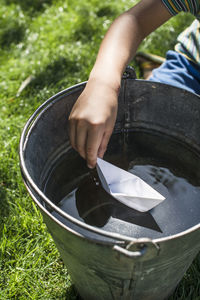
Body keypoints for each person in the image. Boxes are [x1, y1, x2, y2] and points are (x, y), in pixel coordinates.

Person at [68, 0, 200, 169]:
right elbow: (134, 21)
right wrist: (103, 84)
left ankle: (152, 70)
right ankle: (155, 72)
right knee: (151, 124)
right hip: (191, 67)